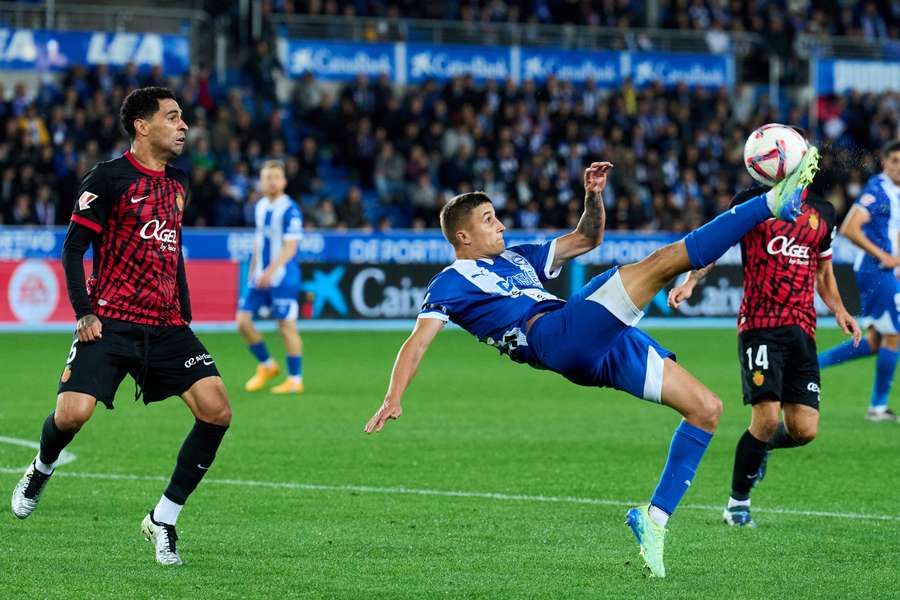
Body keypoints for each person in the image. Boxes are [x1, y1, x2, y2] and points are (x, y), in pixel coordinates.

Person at [364, 149, 820, 578]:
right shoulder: (449, 282)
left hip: (590, 345)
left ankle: (654, 519)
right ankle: (769, 203)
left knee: (707, 408)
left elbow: (587, 237)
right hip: (556, 336)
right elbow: (417, 342)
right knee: (662, 263)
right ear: (462, 236)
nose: (500, 224)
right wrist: (393, 396)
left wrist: (593, 197)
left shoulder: (517, 257)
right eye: (489, 220)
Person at [10, 87, 232, 567]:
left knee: (217, 411)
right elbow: (73, 249)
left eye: (183, 118)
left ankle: (163, 519)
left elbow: (171, 253)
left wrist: (185, 313)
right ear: (142, 125)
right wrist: (83, 310)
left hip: (167, 325)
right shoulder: (108, 179)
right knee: (72, 416)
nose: (183, 126)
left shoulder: (179, 184)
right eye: (173, 118)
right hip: (109, 320)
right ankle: (42, 466)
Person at [668, 173, 861, 528]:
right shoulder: (754, 201)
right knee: (768, 417)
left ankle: (761, 447)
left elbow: (824, 273)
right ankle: (736, 505)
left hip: (803, 330)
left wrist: (839, 310)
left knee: (804, 430)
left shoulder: (822, 212)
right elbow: (715, 245)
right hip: (760, 325)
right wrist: (691, 281)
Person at [818, 140, 900, 421]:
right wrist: (884, 256)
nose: (899, 167)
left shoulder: (894, 193)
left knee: (877, 341)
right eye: (894, 161)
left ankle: (811, 366)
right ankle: (877, 408)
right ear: (884, 162)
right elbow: (851, 228)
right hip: (876, 270)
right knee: (894, 336)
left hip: (885, 271)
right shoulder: (878, 191)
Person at [236, 160, 305, 394]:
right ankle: (267, 365)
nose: (271, 181)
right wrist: (253, 271)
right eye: (267, 177)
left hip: (283, 277)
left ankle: (295, 379)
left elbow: (290, 248)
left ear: (284, 181)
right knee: (242, 321)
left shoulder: (290, 209)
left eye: (276, 176)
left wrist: (270, 271)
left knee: (286, 326)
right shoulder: (261, 206)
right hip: (261, 276)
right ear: (261, 181)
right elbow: (258, 241)